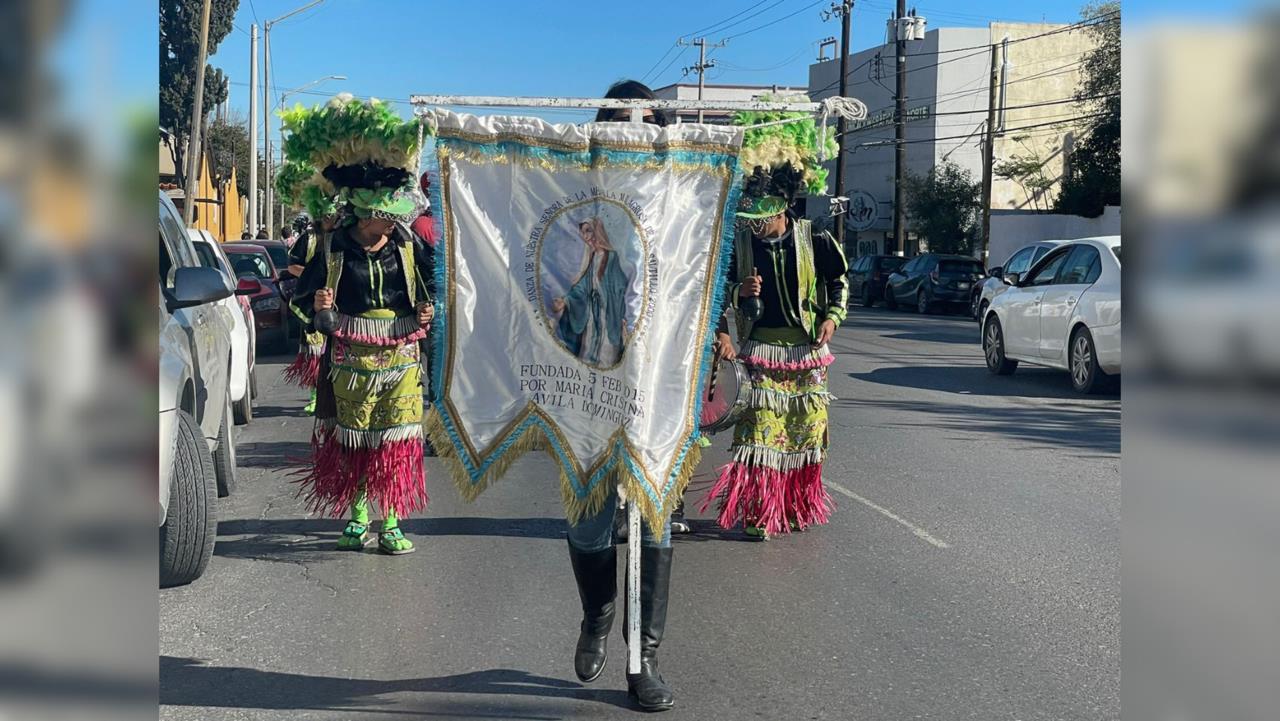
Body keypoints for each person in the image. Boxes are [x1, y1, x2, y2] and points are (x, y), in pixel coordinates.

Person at [562, 79, 683, 714]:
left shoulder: (681, 200)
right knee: (588, 525)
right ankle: (597, 614)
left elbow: (697, 283)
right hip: (590, 388)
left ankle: (645, 658)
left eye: (646, 122)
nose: (635, 132)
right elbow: (569, 305)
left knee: (654, 524)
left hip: (657, 393)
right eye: (620, 121)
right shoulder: (584, 199)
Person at [283, 95, 434, 556]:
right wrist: (319, 303)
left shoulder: (407, 246)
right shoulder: (333, 249)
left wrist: (428, 311)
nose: (385, 223)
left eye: (391, 215)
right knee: (357, 442)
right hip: (350, 359)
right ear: (360, 211)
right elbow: (299, 301)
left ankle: (391, 522)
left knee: (397, 443)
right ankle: (358, 518)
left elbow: (432, 288)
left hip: (402, 356)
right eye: (378, 214)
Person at [701, 109, 848, 540]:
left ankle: (794, 506)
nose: (757, 229)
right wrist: (737, 298)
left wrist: (831, 319)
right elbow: (716, 294)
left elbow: (838, 283)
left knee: (805, 435)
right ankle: (758, 510)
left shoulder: (816, 239)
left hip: (806, 354)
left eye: (762, 220)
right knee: (759, 435)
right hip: (759, 352)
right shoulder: (740, 243)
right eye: (751, 223)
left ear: (783, 207)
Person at [552, 217, 629, 367]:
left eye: (588, 230)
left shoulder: (611, 257)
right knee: (588, 347)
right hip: (592, 313)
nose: (586, 236)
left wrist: (617, 308)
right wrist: (567, 300)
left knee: (607, 349)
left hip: (607, 312)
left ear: (597, 231)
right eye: (583, 233)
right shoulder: (591, 257)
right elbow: (583, 286)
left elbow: (619, 285)